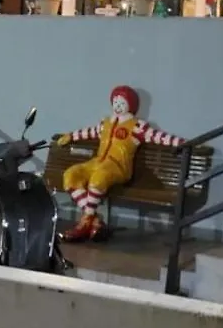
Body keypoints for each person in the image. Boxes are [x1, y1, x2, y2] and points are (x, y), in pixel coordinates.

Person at [56, 85, 184, 242]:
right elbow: (89, 132)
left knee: (98, 178)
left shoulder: (137, 126)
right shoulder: (106, 123)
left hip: (117, 166)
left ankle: (84, 222)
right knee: (70, 175)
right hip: (97, 162)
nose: (118, 106)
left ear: (131, 105)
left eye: (122, 103)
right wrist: (71, 136)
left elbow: (159, 137)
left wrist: (181, 143)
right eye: (115, 102)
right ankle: (93, 219)